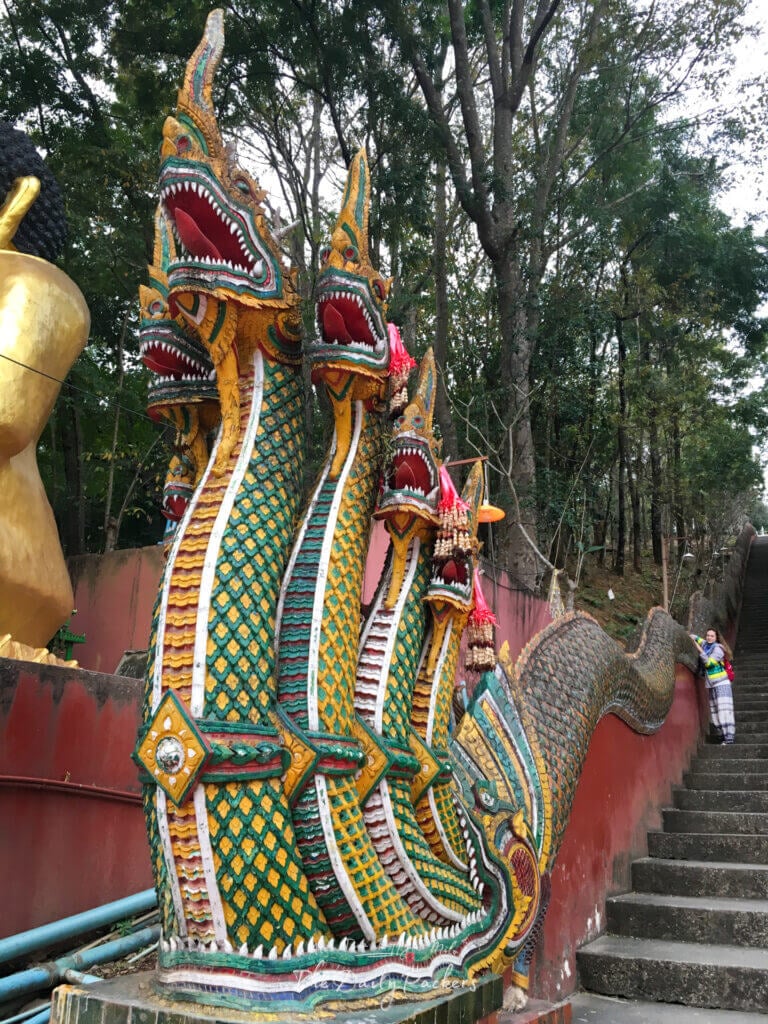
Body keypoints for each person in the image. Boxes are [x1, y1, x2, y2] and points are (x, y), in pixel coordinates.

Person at [690, 627, 735, 744]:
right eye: (708, 635)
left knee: (724, 710)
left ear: (716, 638)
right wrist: (690, 635)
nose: (709, 637)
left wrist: (699, 650)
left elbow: (709, 664)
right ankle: (722, 734)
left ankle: (729, 738)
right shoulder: (706, 644)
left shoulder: (718, 649)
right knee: (715, 711)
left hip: (722, 684)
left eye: (712, 636)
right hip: (712, 685)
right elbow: (696, 638)